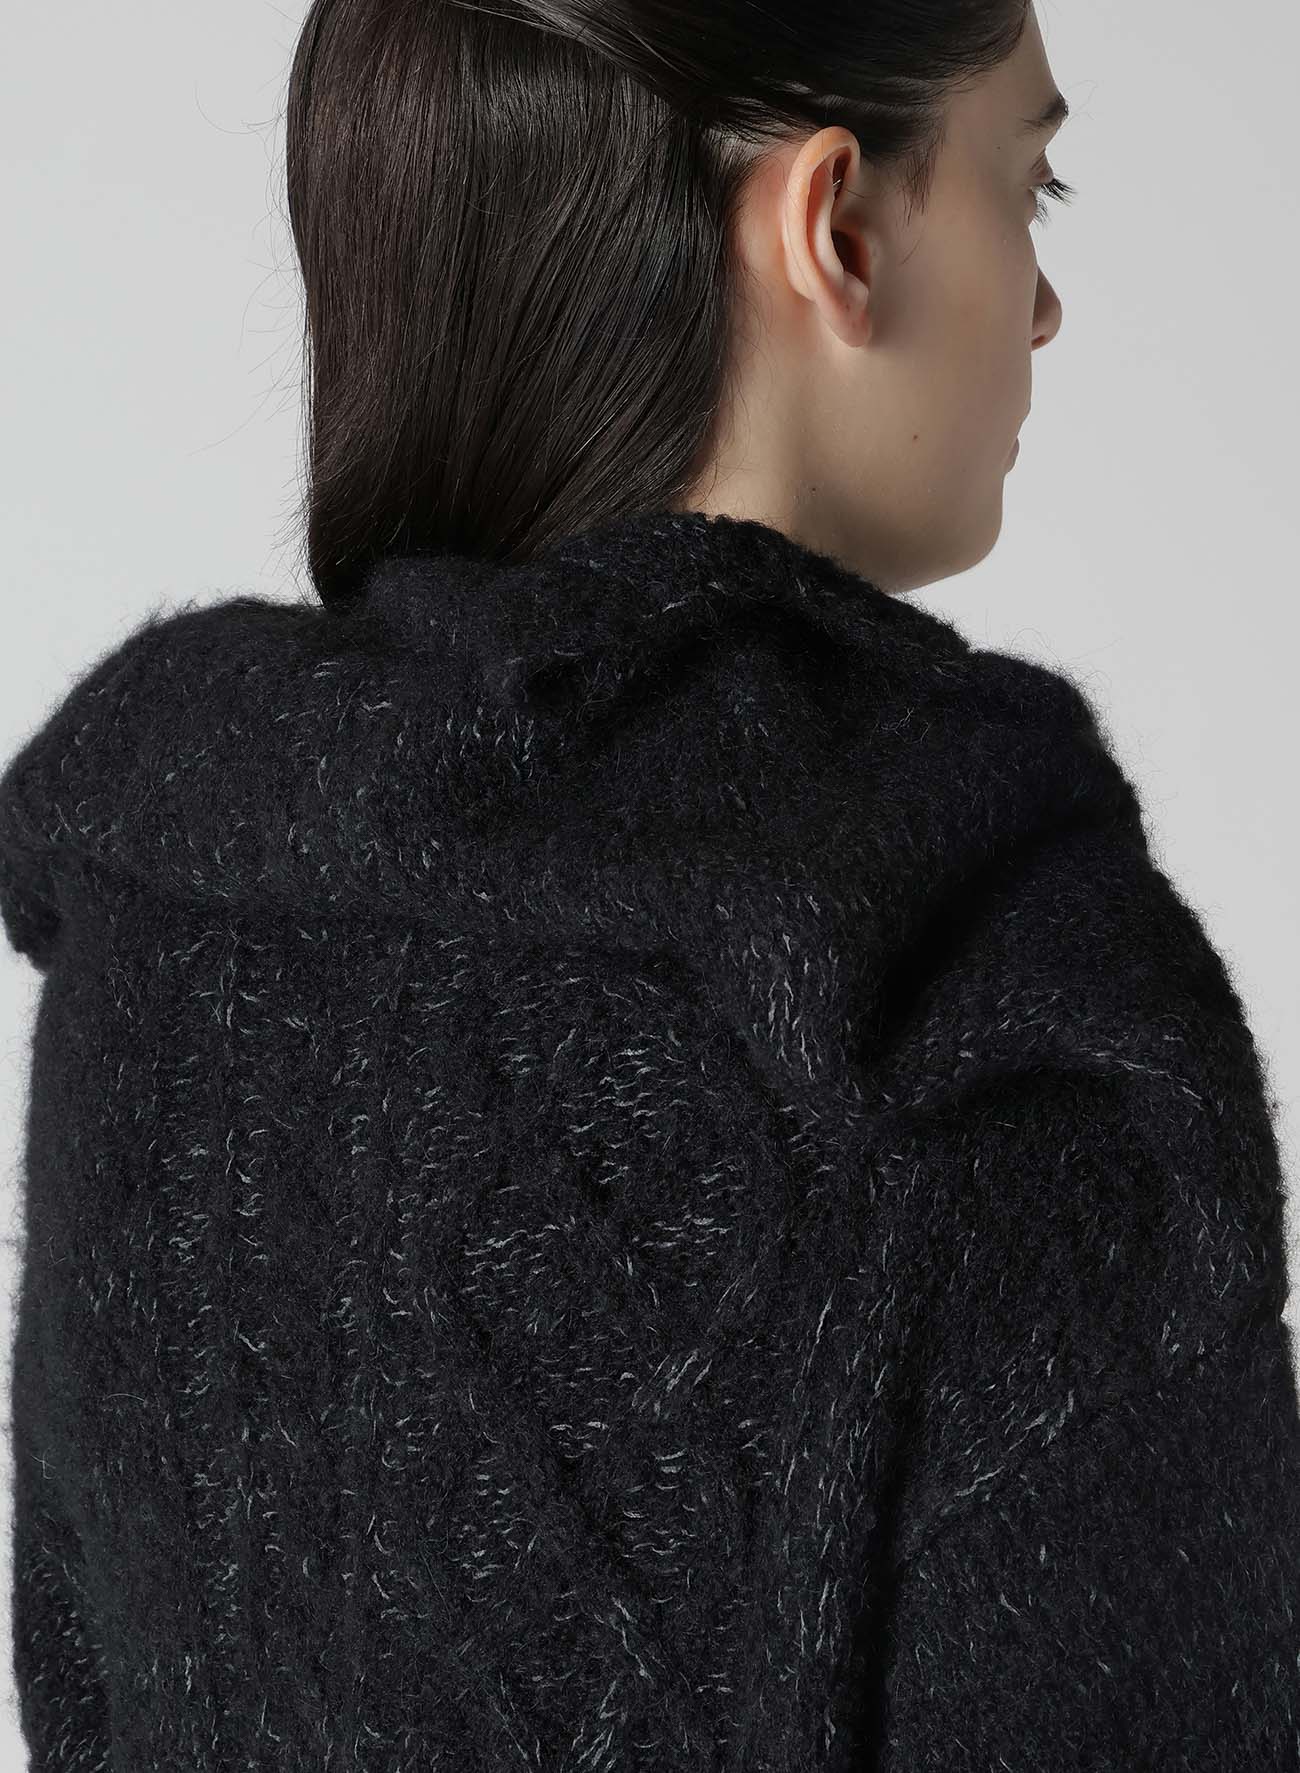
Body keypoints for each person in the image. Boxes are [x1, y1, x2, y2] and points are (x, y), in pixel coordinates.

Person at [2, 2, 1297, 1768]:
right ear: (836, 229)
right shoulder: (997, 1017)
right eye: (1030, 185)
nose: (1046, 302)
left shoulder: (162, 939)